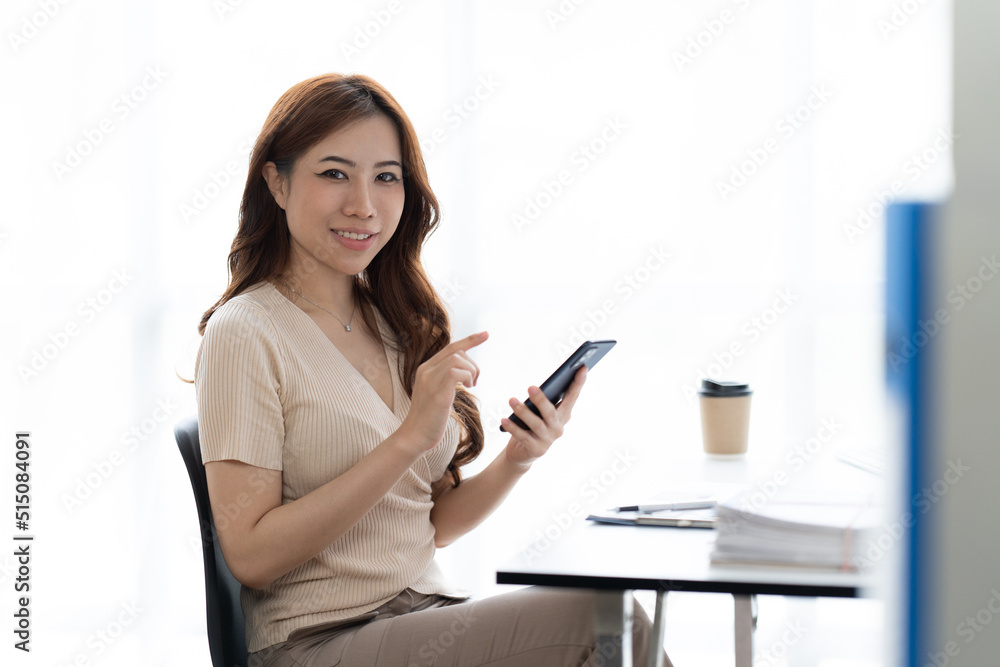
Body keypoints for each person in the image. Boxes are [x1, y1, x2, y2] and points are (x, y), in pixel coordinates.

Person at [194, 73, 670, 667]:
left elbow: (431, 526)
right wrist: (406, 440)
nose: (363, 205)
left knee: (608, 626)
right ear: (278, 182)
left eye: (385, 178)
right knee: (603, 620)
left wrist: (518, 459)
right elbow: (250, 555)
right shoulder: (246, 332)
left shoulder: (396, 323)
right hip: (315, 643)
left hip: (422, 619)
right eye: (334, 173)